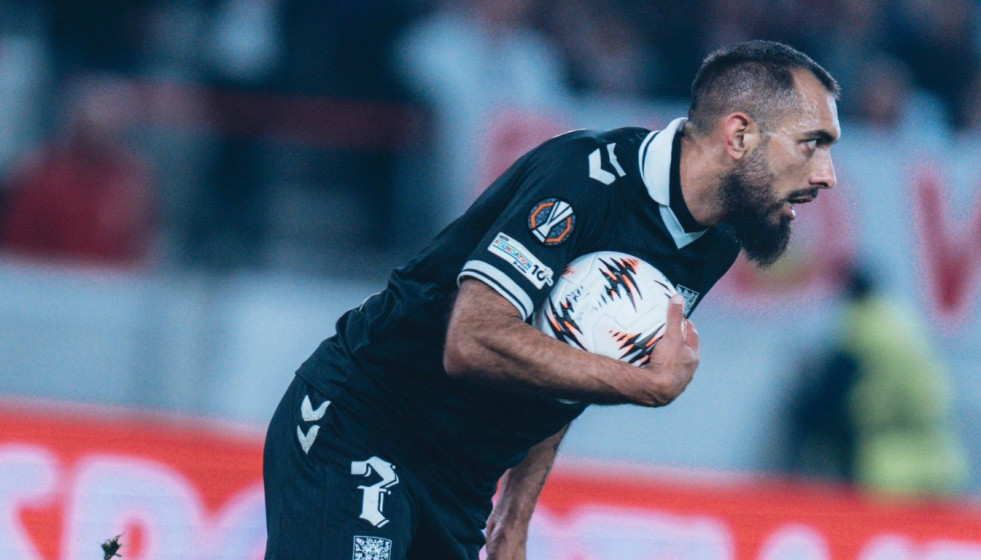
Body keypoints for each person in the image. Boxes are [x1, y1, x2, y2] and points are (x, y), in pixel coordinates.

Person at [263, 40, 841, 560]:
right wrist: (646, 386)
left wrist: (515, 513)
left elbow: (573, 359)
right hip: (365, 422)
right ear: (739, 135)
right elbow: (472, 340)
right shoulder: (583, 180)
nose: (828, 174)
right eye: (812, 143)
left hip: (460, 482)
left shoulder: (713, 243)